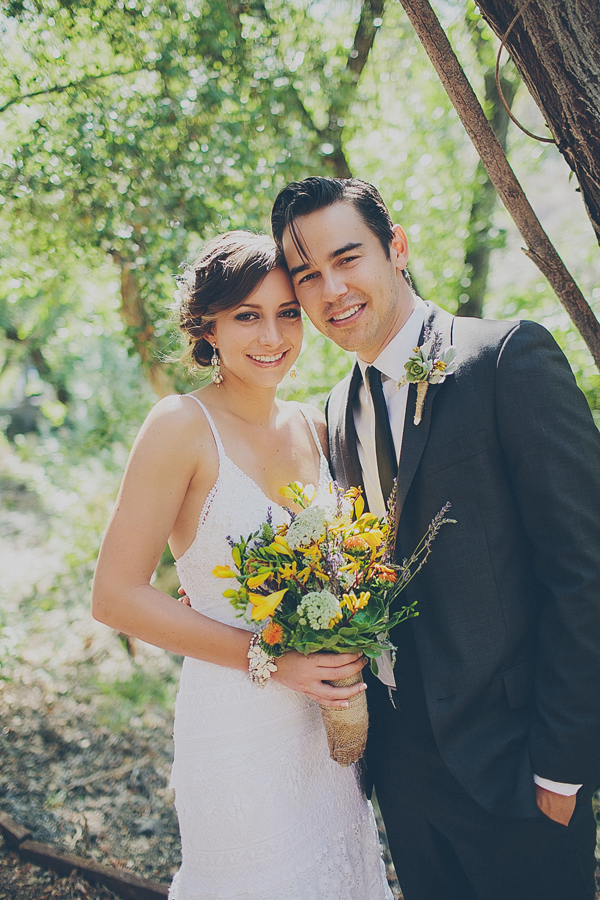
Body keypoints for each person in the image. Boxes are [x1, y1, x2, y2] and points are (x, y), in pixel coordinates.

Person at [270, 176, 600, 900]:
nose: (332, 289)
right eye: (309, 276)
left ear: (397, 247)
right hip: (403, 775)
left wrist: (563, 767)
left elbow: (585, 569)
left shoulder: (505, 359)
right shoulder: (335, 409)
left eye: (347, 258)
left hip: (520, 769)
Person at [91, 231, 393, 900]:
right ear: (209, 327)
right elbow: (114, 596)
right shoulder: (179, 425)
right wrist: (272, 658)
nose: (273, 334)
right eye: (247, 315)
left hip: (328, 731)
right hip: (237, 725)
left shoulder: (317, 425)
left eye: (288, 312)